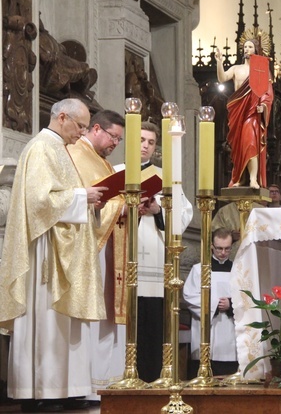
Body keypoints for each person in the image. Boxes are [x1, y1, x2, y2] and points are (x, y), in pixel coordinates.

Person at [0, 98, 108, 412]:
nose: (83, 132)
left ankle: (67, 387)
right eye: (81, 126)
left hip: (63, 246)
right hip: (45, 250)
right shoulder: (41, 147)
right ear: (62, 117)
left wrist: (87, 201)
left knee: (63, 322)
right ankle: (40, 390)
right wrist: (81, 195)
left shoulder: (58, 147)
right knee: (46, 318)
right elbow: (37, 201)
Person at [114, 121, 193, 382]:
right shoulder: (116, 173)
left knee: (152, 326)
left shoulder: (166, 177)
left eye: (151, 142)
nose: (146, 146)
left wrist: (159, 211)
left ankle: (151, 379)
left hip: (157, 263)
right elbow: (103, 213)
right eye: (141, 140)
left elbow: (184, 214)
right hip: (123, 261)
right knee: (123, 324)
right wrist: (129, 207)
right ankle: (120, 377)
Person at [67, 109, 126, 400]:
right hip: (86, 246)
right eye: (114, 136)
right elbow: (84, 199)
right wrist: (122, 206)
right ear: (97, 128)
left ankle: (101, 381)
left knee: (105, 315)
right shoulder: (79, 154)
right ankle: (87, 384)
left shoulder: (102, 161)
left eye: (119, 139)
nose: (116, 143)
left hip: (104, 246)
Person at [215, 38, 274, 189]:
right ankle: (240, 177)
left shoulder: (261, 69)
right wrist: (219, 62)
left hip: (252, 112)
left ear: (256, 50)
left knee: (251, 143)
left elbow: (268, 93)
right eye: (245, 46)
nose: (246, 49)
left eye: (250, 46)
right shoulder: (236, 68)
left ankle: (253, 179)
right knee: (239, 147)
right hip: (238, 111)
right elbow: (222, 79)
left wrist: (263, 106)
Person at [183, 229, 238, 376]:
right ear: (212, 246)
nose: (223, 252)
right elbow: (189, 295)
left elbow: (246, 297)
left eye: (227, 248)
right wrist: (214, 304)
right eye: (219, 248)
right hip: (206, 326)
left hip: (229, 330)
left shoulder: (238, 270)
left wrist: (231, 305)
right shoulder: (199, 269)